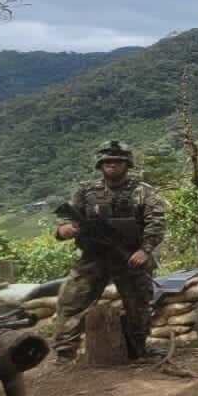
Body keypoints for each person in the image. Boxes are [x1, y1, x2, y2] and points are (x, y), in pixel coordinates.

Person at [53, 142, 166, 359]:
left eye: (117, 161)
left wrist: (145, 250)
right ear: (100, 164)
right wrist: (63, 230)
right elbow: (67, 220)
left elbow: (156, 223)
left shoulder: (143, 191)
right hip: (94, 257)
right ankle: (65, 352)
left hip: (130, 256)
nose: (112, 165)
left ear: (127, 164)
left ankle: (139, 349)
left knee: (139, 305)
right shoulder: (86, 191)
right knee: (71, 300)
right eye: (107, 161)